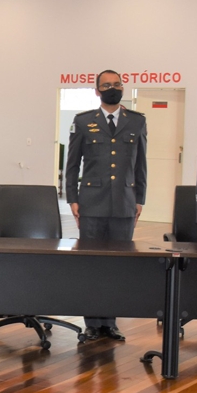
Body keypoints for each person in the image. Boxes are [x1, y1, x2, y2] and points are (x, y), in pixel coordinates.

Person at [65, 69, 147, 342]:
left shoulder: (136, 121)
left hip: (124, 204)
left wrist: (140, 199)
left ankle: (109, 323)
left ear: (123, 88)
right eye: (106, 85)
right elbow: (72, 163)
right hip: (92, 203)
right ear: (97, 91)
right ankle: (92, 322)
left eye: (117, 84)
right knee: (93, 265)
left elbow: (141, 164)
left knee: (117, 267)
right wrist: (73, 199)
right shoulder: (83, 121)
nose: (113, 88)